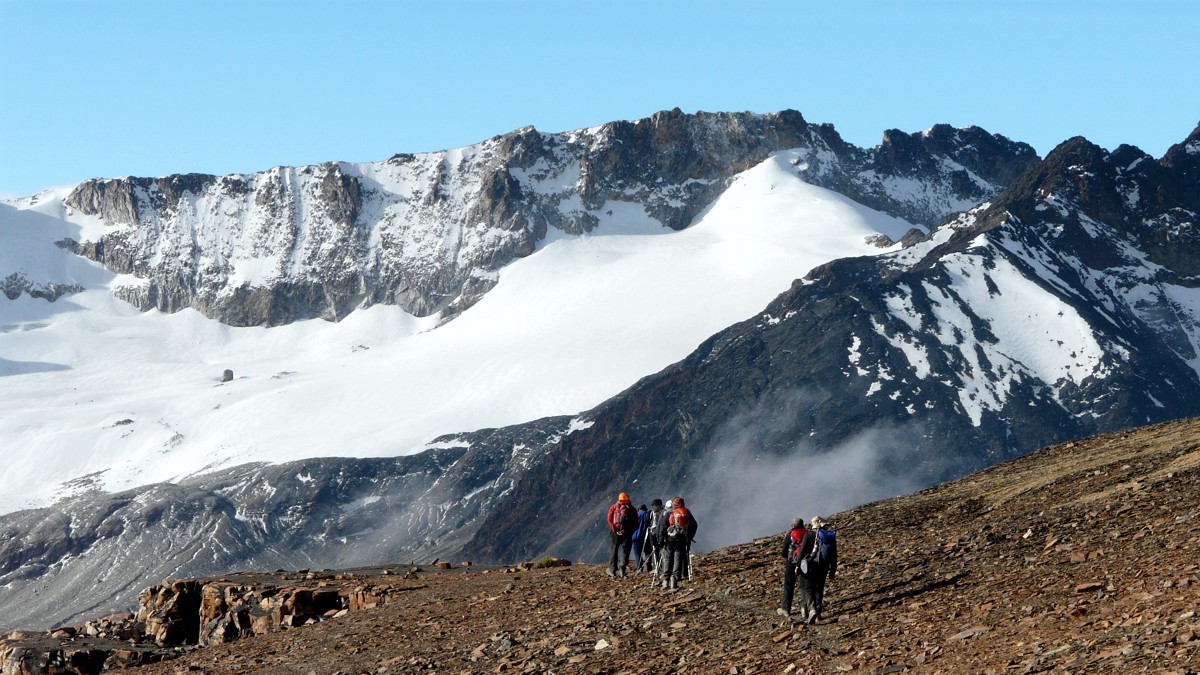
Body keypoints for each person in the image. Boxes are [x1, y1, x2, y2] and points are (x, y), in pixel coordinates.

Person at [798, 516, 838, 623]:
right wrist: (833, 570)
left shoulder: (808, 534)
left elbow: (802, 552)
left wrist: (798, 565)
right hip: (824, 565)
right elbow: (834, 554)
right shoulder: (829, 535)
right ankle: (818, 614)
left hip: (810, 564)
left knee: (808, 588)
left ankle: (812, 610)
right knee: (819, 588)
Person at [660, 496, 697, 589]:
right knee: (678, 559)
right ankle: (675, 578)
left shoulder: (669, 513)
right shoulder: (687, 512)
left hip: (670, 540)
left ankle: (666, 579)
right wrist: (689, 537)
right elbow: (694, 525)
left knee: (668, 559)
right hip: (682, 539)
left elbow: (662, 527)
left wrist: (661, 539)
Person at [777, 518, 808, 618]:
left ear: (793, 526)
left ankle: (786, 608)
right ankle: (805, 608)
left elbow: (783, 553)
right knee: (804, 585)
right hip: (805, 562)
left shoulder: (790, 535)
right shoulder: (808, 533)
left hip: (792, 563)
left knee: (789, 585)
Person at [606, 492, 637, 577]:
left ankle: (612, 570)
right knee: (625, 551)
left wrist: (614, 529)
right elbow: (635, 522)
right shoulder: (632, 509)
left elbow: (609, 519)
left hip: (615, 533)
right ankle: (622, 569)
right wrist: (628, 530)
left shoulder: (614, 507)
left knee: (614, 550)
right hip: (627, 533)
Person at [642, 498, 667, 575]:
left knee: (655, 551)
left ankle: (657, 568)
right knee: (662, 550)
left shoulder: (651, 513)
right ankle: (664, 568)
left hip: (653, 534)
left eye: (654, 505)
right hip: (663, 534)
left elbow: (646, 523)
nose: (654, 507)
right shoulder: (664, 512)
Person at [631, 504, 649, 573]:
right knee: (647, 551)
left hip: (637, 536)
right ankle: (648, 563)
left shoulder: (636, 515)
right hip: (647, 536)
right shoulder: (649, 514)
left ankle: (640, 568)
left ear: (638, 509)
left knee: (637, 552)